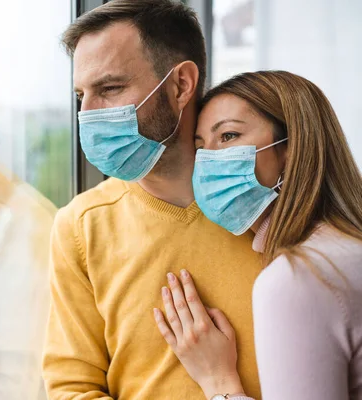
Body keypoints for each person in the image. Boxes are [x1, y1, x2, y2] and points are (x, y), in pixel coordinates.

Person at [42, 1, 264, 398]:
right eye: (81, 95)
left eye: (109, 89)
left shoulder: (270, 204)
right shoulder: (81, 226)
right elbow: (71, 388)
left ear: (180, 85)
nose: (88, 114)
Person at [154, 70, 362, 399]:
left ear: (291, 150)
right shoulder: (346, 248)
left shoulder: (298, 279)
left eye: (227, 136)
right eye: (200, 147)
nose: (208, 160)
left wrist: (219, 382)